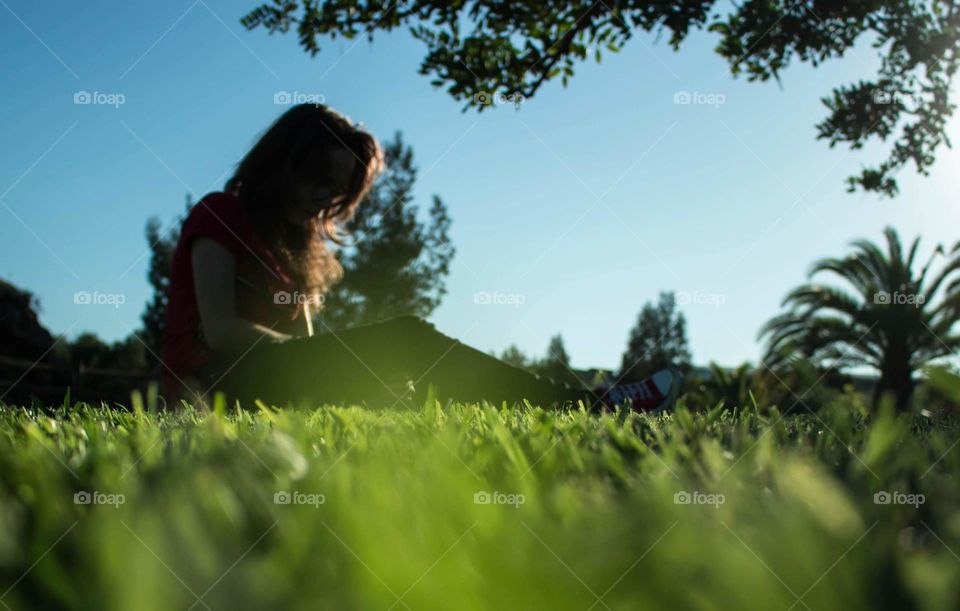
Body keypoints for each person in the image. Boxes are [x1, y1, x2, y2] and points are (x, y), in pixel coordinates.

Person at [159, 103, 682, 412]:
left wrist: (359, 376)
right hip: (210, 390)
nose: (325, 199)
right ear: (282, 163)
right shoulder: (220, 213)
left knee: (405, 374)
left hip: (270, 391)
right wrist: (358, 360)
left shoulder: (298, 248)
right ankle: (589, 405)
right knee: (407, 340)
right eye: (319, 180)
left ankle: (585, 404)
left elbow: (307, 351)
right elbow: (222, 334)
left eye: (336, 191)